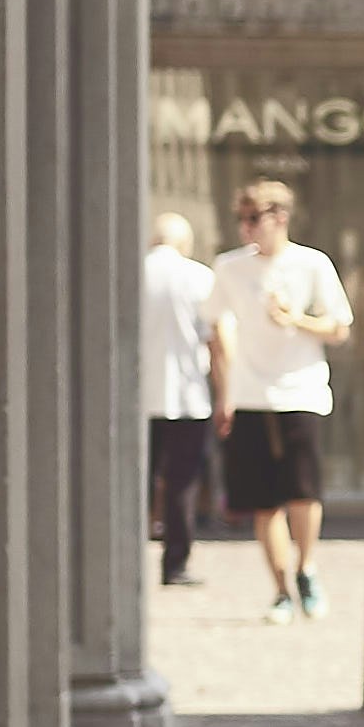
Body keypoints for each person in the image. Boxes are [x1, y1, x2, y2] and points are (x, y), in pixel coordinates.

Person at [209, 179, 353, 622]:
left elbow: (339, 327)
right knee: (263, 500)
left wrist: (296, 320)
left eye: (254, 218)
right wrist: (225, 393)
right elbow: (217, 328)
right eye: (242, 219)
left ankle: (306, 568)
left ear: (280, 218)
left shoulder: (312, 263)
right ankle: (280, 589)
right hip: (250, 394)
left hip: (301, 391)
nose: (246, 227)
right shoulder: (229, 268)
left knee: (303, 492)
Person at [144, 206, 224, 587]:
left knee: (136, 480)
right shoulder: (199, 277)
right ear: (185, 243)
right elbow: (219, 342)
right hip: (188, 395)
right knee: (182, 482)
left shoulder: (130, 272)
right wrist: (226, 394)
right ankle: (174, 564)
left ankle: (124, 561)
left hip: (139, 397)